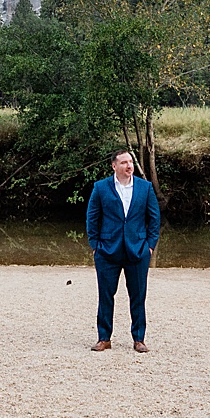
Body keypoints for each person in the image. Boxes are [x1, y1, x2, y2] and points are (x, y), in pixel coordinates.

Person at [84, 149, 162, 353]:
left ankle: (139, 339)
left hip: (138, 251)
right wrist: (95, 246)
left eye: (131, 162)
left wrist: (150, 246)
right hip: (107, 251)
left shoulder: (145, 188)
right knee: (106, 295)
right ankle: (104, 338)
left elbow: (154, 219)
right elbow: (92, 218)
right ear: (114, 166)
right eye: (124, 162)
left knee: (138, 296)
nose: (129, 166)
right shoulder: (100, 188)